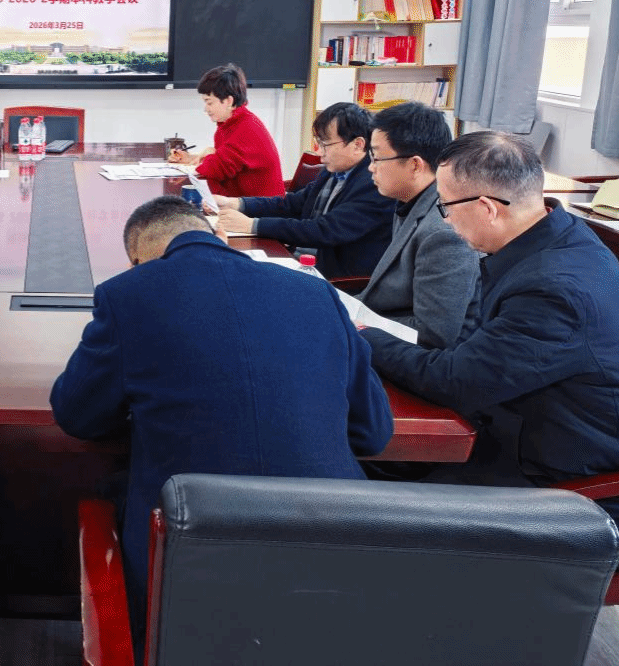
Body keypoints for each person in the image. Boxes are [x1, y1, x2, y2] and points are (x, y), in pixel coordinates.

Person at [51, 195, 393, 627]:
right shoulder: (316, 292)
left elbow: (77, 415)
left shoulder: (127, 295)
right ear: (219, 236)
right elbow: (373, 432)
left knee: (110, 489)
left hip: (191, 552)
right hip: (333, 547)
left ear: (137, 259)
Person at [361, 131, 619, 541]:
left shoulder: (553, 290)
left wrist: (364, 336)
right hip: (524, 434)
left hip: (574, 487)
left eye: (445, 205)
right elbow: (468, 355)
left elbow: (454, 381)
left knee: (371, 512)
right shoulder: (553, 238)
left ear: (487, 208)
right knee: (371, 458)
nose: (444, 219)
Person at [213, 102, 395, 279]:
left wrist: (253, 225)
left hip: (335, 278)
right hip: (304, 261)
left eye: (325, 144)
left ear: (358, 145)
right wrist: (237, 203)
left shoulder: (373, 183)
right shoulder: (334, 171)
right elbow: (292, 203)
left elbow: (324, 230)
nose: (319, 152)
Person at [358, 101, 480, 348]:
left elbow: (433, 334)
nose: (370, 167)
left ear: (415, 165)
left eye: (377, 157)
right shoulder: (412, 201)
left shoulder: (444, 232)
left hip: (417, 358)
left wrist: (359, 325)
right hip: (382, 327)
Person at [168, 63, 284, 197]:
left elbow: (215, 169)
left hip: (260, 207)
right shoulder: (230, 124)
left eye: (209, 102)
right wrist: (191, 158)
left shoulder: (246, 129)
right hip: (241, 202)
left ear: (228, 101)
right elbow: (221, 161)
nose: (206, 109)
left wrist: (200, 160)